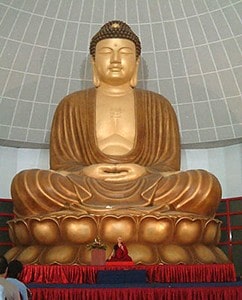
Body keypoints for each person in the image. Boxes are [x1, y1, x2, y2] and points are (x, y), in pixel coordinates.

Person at [11, 20, 221, 219]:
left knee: (204, 185)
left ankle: (82, 229)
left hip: (145, 185)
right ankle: (149, 228)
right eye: (106, 52)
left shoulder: (158, 105)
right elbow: (61, 167)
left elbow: (169, 168)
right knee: (27, 183)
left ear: (136, 62)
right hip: (85, 185)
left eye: (125, 53)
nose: (115, 60)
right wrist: (85, 171)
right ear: (94, 61)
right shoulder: (72, 104)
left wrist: (144, 171)